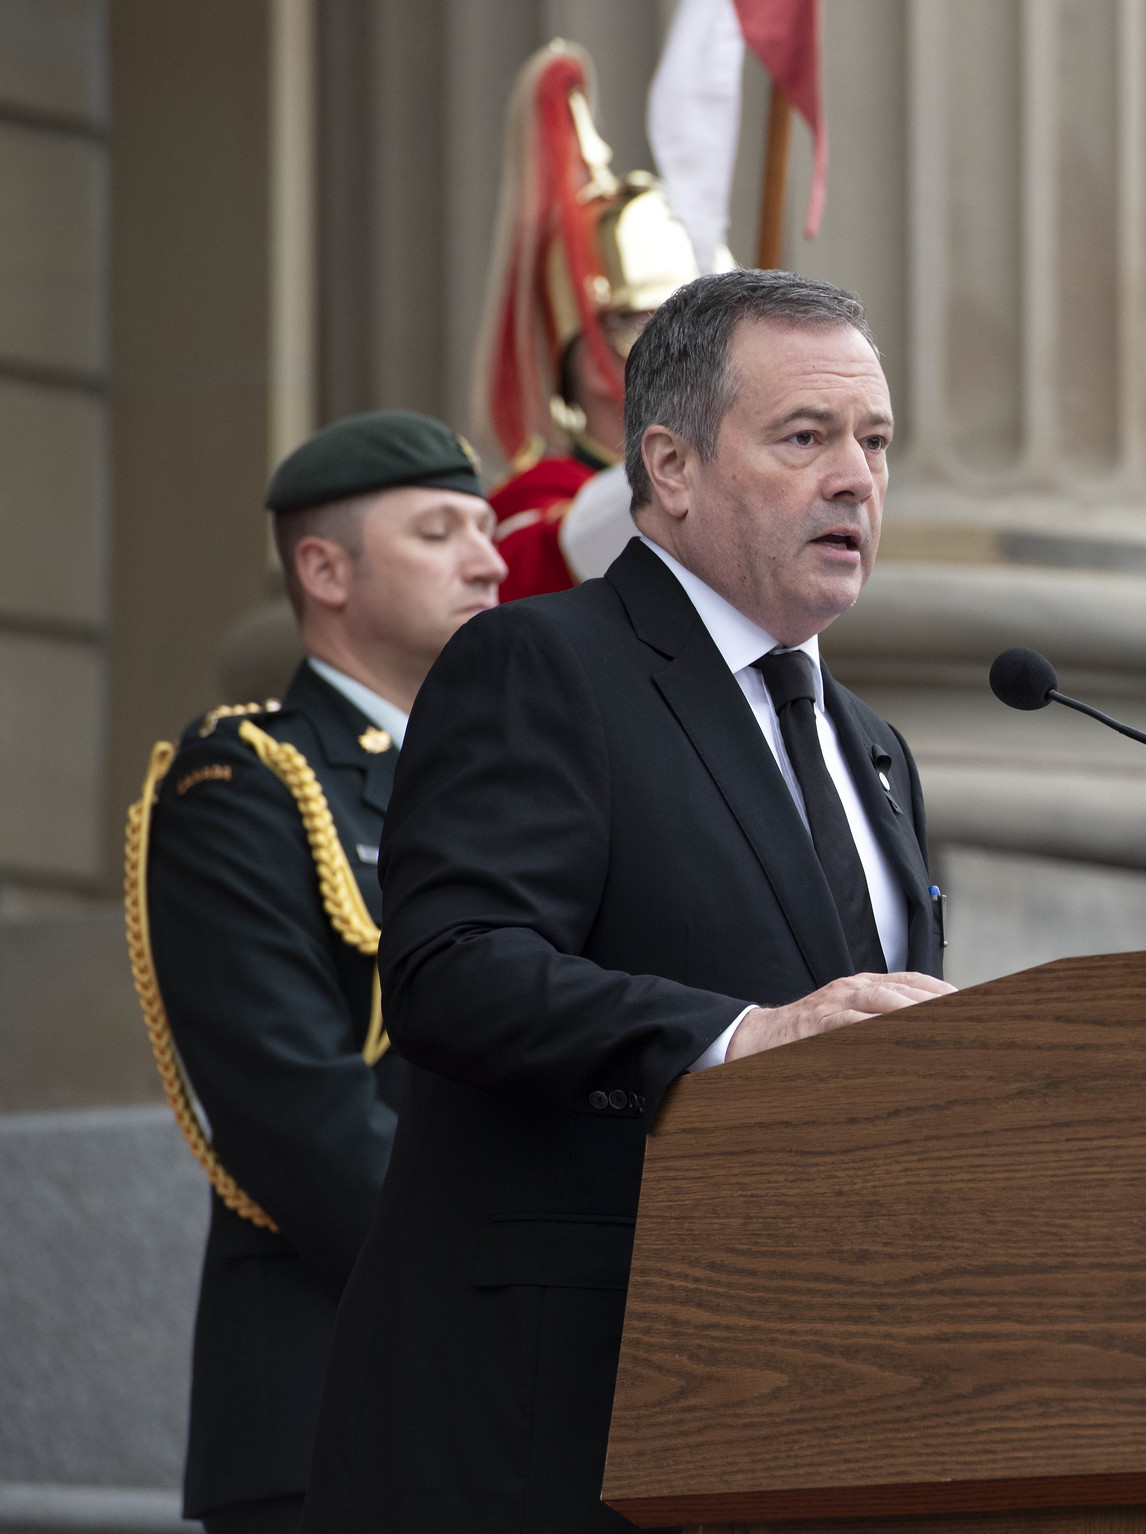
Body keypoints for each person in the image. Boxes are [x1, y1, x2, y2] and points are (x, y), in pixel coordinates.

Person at [300, 270, 954, 1532]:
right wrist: (736, 1039)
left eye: (874, 443)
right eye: (804, 437)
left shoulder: (872, 747)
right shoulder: (541, 665)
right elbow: (454, 971)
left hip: (798, 1417)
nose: (856, 479)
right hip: (551, 1425)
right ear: (668, 466)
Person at [125, 411, 506, 1534]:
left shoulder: (497, 785)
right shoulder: (244, 783)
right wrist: (506, 1284)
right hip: (332, 1394)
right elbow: (294, 1104)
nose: (487, 560)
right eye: (440, 531)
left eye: (484, 529)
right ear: (325, 569)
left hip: (506, 1408)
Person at [474, 39, 723, 600]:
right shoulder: (533, 511)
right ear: (592, 360)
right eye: (668, 322)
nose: (706, 346)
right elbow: (586, 536)